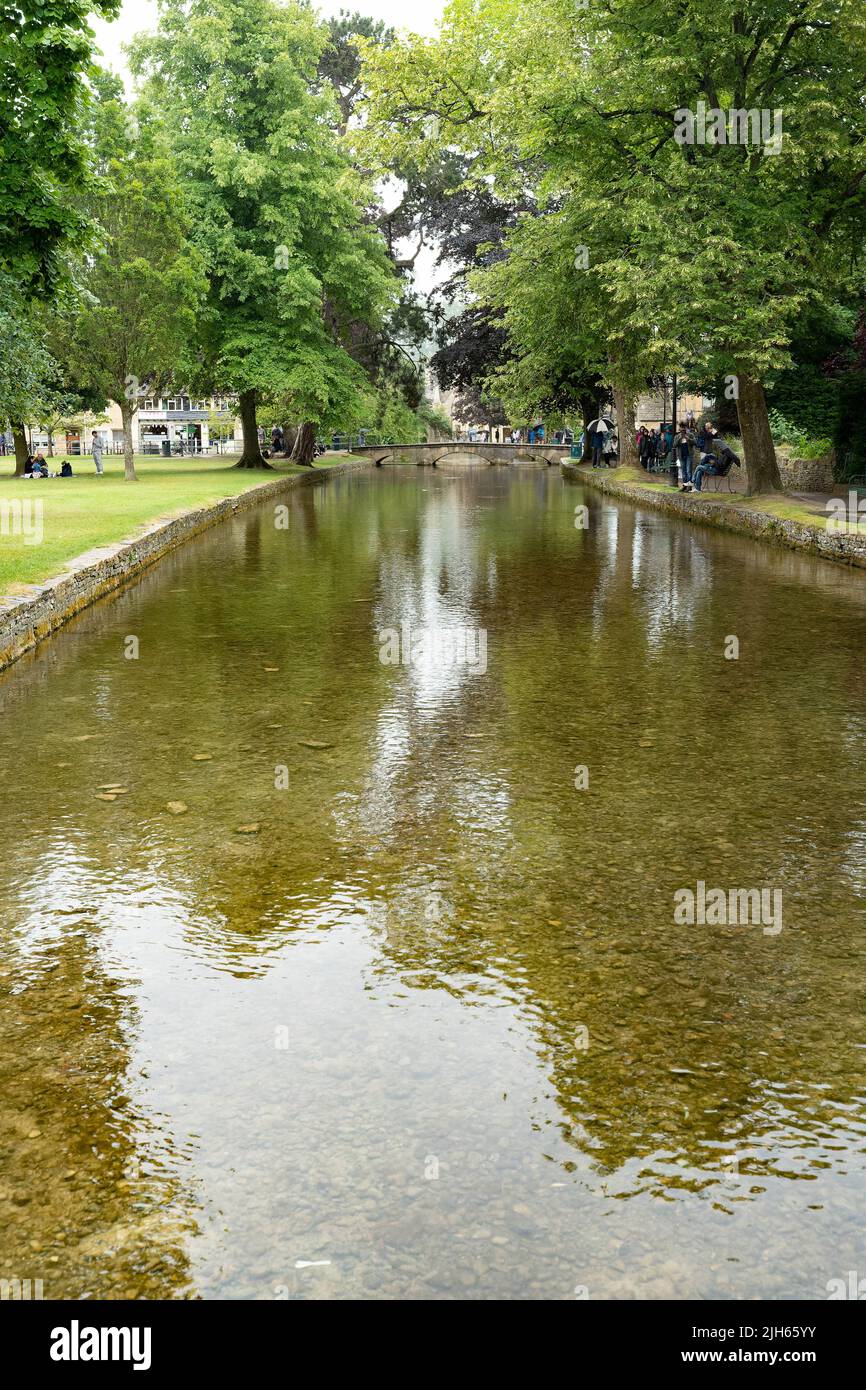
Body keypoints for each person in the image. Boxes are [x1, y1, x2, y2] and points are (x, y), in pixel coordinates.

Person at [674, 422, 694, 487]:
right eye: (681, 428)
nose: (682, 429)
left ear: (685, 428)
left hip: (689, 455)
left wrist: (687, 438)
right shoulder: (677, 436)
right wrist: (680, 438)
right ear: (680, 429)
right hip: (681, 455)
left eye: (684, 428)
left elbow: (695, 442)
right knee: (683, 471)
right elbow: (674, 445)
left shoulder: (690, 435)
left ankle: (689, 485)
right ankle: (685, 485)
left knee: (688, 470)